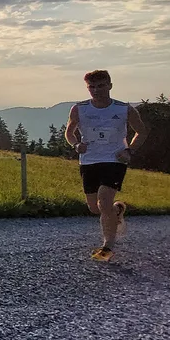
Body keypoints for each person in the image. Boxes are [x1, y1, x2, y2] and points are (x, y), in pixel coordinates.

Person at [64, 69, 148, 261]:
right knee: (95, 207)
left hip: (115, 159)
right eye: (91, 87)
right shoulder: (79, 108)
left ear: (110, 85)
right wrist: (76, 144)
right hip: (89, 160)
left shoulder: (124, 109)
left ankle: (107, 246)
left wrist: (129, 151)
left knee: (104, 200)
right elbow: (69, 132)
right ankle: (117, 211)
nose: (96, 90)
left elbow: (141, 132)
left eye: (101, 86)